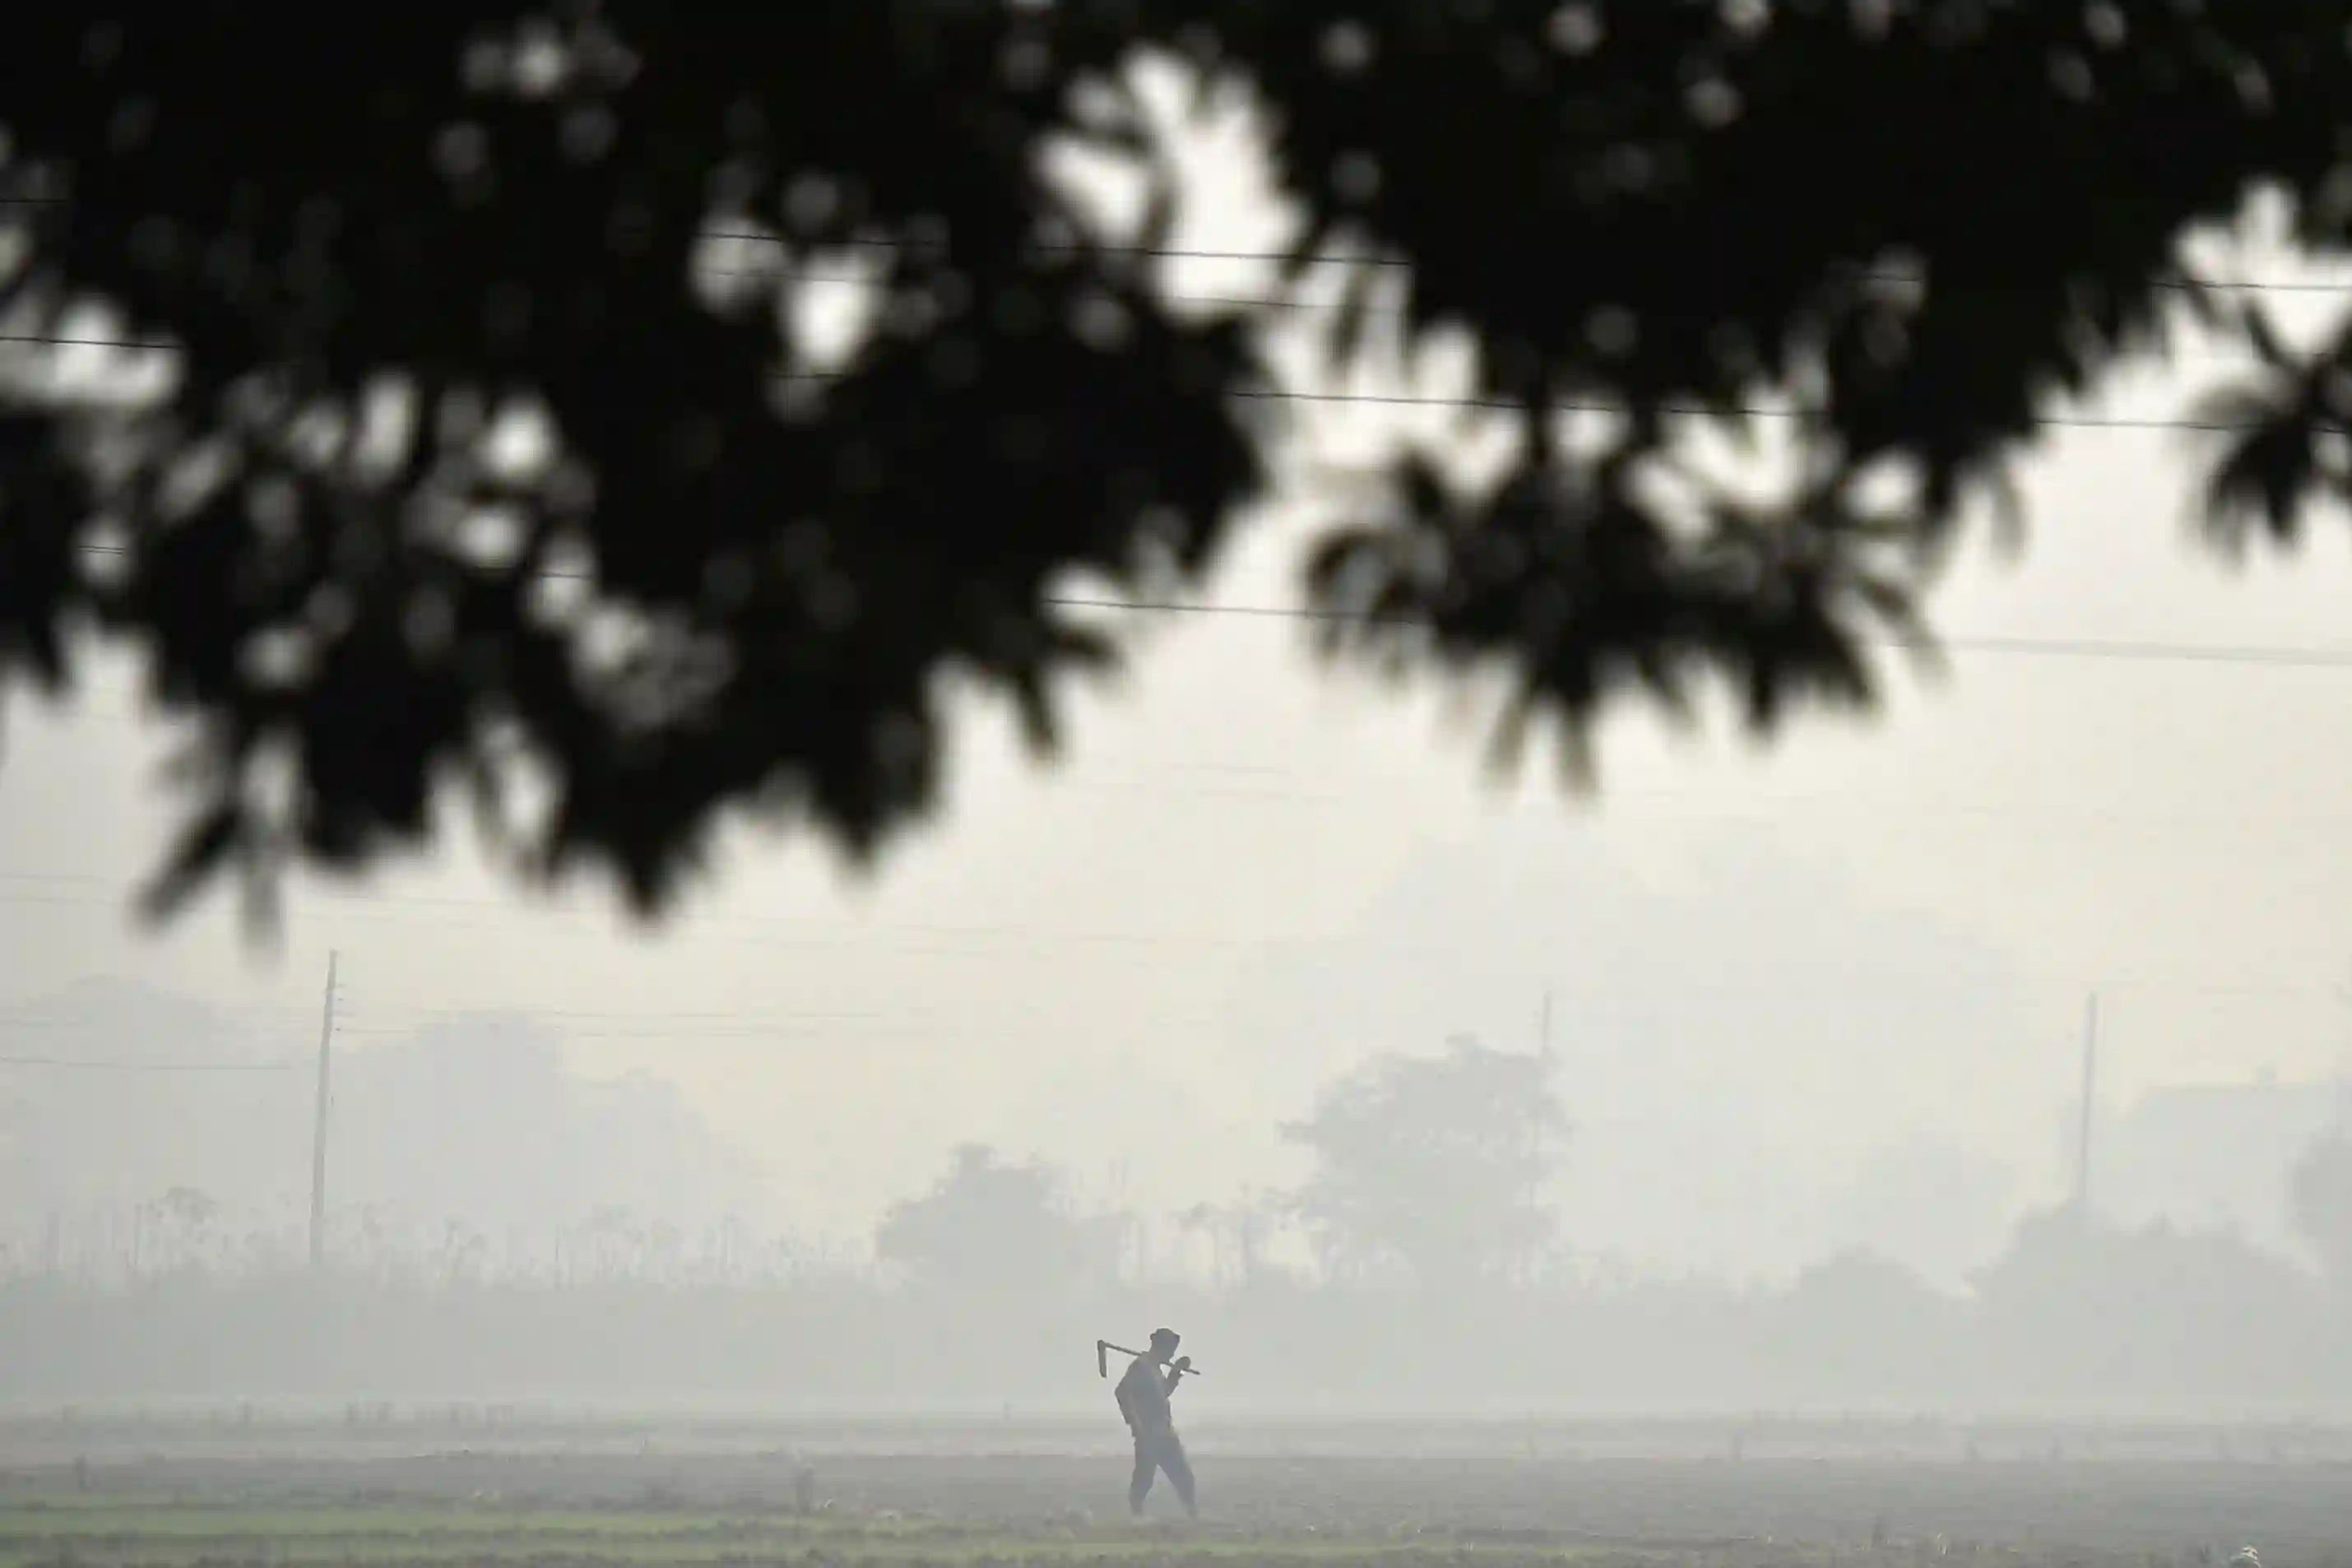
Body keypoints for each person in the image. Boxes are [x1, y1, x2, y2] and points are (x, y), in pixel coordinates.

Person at [1113, 1327, 1196, 1518]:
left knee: (1183, 1476)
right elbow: (1121, 1392)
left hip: (1165, 1432)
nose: (1171, 1355)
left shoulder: (1156, 1369)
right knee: (1144, 1479)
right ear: (1162, 1348)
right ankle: (1136, 1514)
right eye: (1171, 1351)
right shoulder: (1140, 1367)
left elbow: (1163, 1393)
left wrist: (1175, 1374)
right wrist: (1135, 1424)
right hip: (1148, 1434)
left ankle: (1192, 1514)